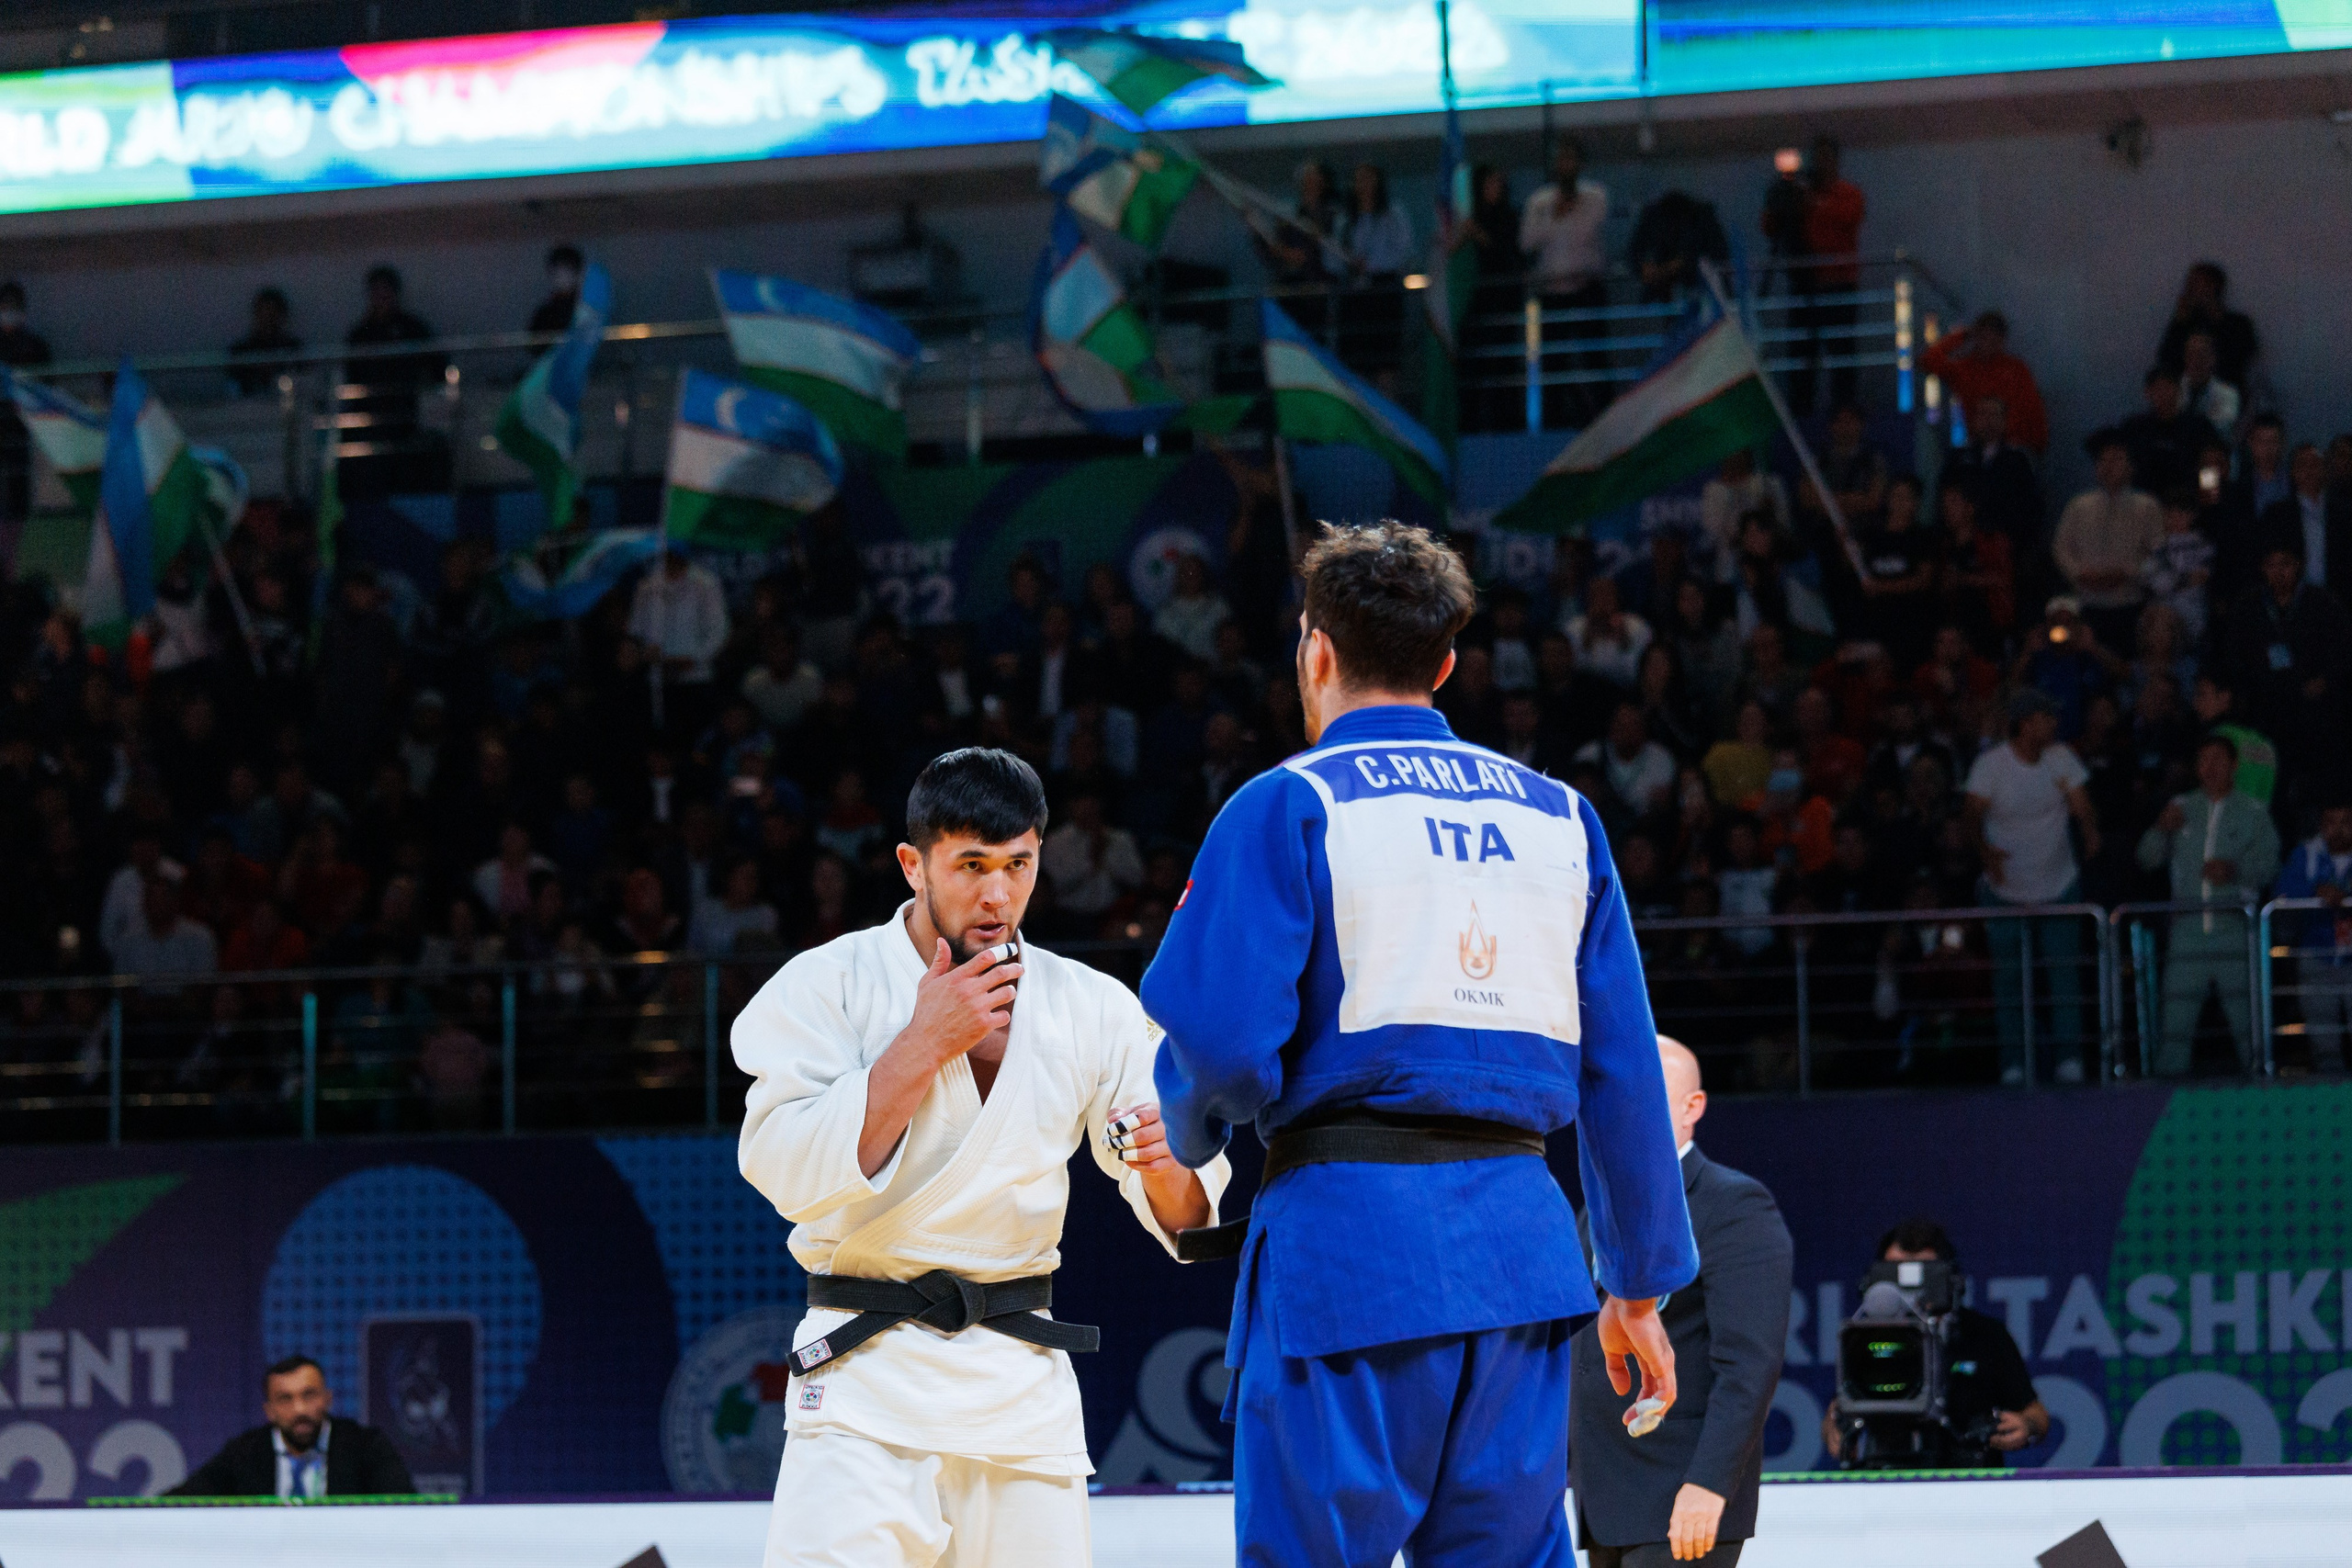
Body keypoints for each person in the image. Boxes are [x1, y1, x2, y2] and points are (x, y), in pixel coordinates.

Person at [1144, 520, 1694, 1567]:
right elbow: (1623, 1072)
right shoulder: (1562, 820)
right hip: (1520, 1264)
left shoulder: (1288, 804)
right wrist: (1636, 1285)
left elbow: (1217, 1048)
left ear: (1314, 651)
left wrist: (1189, 1133)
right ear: (1445, 663)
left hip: (1348, 1255)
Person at [734, 749, 1226, 1568]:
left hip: (1019, 1390)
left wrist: (1165, 1161)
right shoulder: (827, 985)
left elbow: (1186, 1214)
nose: (998, 895)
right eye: (971, 865)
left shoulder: (1089, 1005)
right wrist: (919, 1046)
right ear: (912, 864)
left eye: (1018, 865)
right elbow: (785, 1172)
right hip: (863, 1379)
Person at [1572, 1037, 1792, 1568]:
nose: (1625, 1111)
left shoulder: (1733, 1205)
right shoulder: (1597, 1207)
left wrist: (1709, 1485)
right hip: (1605, 1502)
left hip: (1680, 1498)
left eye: (1645, 1095)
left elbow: (1748, 1363)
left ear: (1692, 1108)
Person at [1822, 1221, 2049, 1469]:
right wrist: (1835, 1425)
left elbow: (2036, 1415)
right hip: (1887, 1479)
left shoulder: (1985, 1334)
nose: (1910, 1295)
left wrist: (2026, 1426)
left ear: (1949, 1281)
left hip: (1969, 1482)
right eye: (1895, 1278)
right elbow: (1842, 1406)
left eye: (1925, 1279)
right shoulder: (1864, 1340)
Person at [1964, 690, 2099, 1085]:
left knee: (2064, 978)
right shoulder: (1991, 766)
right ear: (2025, 723)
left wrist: (2089, 830)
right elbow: (1971, 814)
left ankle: (2069, 1060)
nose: (2054, 724)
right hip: (2005, 890)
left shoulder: (2061, 758)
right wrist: (1983, 851)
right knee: (2008, 982)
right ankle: (2013, 1064)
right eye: (2046, 717)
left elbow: (2083, 804)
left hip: (2058, 885)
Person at [2136, 733, 2279, 1076]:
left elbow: (2271, 865)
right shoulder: (2181, 807)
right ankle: (2163, 1102)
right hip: (2187, 931)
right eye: (2203, 760)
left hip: (2234, 929)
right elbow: (2146, 859)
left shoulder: (2254, 813)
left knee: (2249, 1026)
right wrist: (2160, 828)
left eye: (2217, 759)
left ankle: (2263, 1094)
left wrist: (2235, 871)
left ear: (2233, 765)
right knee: (2175, 1027)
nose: (2209, 766)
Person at [171, 1355, 414, 1498]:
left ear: (327, 1400)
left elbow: (407, 1508)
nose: (299, 1410)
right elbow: (181, 1503)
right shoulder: (245, 1453)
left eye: (309, 1395)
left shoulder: (365, 1446)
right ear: (270, 1411)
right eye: (285, 1399)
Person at [1773, 135, 1866, 416]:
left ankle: (1844, 413)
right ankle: (1801, 414)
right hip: (1805, 286)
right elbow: (1771, 225)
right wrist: (1787, 197)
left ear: (1836, 162)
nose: (1821, 165)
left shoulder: (1849, 193)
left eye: (1827, 159)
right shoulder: (1798, 193)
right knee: (1802, 355)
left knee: (1842, 355)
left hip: (1839, 286)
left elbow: (1846, 219)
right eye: (1817, 159)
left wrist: (1809, 202)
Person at [1521, 137, 1611, 424]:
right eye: (1561, 160)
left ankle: (1605, 418)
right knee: (1553, 362)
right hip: (1552, 292)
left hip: (1587, 288)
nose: (1565, 165)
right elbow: (1526, 241)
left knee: (1594, 358)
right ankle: (1554, 421)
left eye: (1571, 159)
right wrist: (1555, 217)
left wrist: (1569, 211)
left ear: (1580, 164)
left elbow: (1587, 229)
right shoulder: (1539, 202)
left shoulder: (1595, 195)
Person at [2054, 428, 2165, 652]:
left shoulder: (2147, 506)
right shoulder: (2079, 505)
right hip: (2087, 602)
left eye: (2116, 459)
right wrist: (2080, 573)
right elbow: (2061, 547)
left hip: (2129, 603)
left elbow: (2158, 553)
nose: (2108, 466)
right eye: (2102, 460)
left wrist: (2127, 573)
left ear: (2131, 466)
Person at [2276, 802, 2352, 1074]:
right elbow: (2282, 895)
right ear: (2322, 825)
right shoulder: (2306, 854)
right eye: (2332, 822)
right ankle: (2334, 1108)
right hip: (2315, 958)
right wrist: (2315, 891)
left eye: (2346, 822)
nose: (2339, 830)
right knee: (2324, 1046)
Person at [629, 551, 730, 740]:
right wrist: (646, 652)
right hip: (657, 681)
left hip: (696, 678)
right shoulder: (647, 586)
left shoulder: (706, 583)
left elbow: (718, 632)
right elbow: (635, 632)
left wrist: (693, 659)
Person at [1918, 310, 2047, 455]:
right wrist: (1963, 335)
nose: (1988, 344)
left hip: (2014, 446)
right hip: (1978, 446)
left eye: (1994, 339)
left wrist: (2037, 444)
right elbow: (1928, 360)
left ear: (2001, 340)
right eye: (1984, 337)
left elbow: (2033, 407)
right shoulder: (1964, 369)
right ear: (1976, 337)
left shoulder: (2015, 369)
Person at [2258, 441, 2352, 599]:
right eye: (2302, 465)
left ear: (2325, 469)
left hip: (2339, 596)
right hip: (2294, 599)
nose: (2309, 471)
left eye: (2315, 464)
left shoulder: (2344, 512)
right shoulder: (2278, 514)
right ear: (2293, 472)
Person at [2120, 366, 2222, 501]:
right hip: (2142, 503)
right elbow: (2122, 463)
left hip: (2187, 503)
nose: (2163, 394)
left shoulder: (2198, 426)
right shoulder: (2134, 427)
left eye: (2168, 387)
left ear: (2179, 391)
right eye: (2157, 388)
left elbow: (2210, 461)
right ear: (2147, 393)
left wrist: (2209, 494)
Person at [2155, 261, 2257, 390]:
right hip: (2189, 394)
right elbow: (2166, 360)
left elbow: (2242, 358)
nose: (2190, 288)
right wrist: (2179, 323)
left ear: (2214, 286)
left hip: (2228, 392)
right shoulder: (2186, 323)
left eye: (2197, 283)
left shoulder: (2239, 323)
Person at [0, 279, 51, 525]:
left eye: (13, 306)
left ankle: (18, 523)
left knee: (19, 476)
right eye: (5, 306)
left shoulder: (35, 345)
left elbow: (48, 383)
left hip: (21, 421)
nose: (8, 312)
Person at [228, 286, 303, 396]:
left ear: (282, 316)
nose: (268, 319)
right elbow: (234, 388)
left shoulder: (294, 349)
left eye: (273, 313)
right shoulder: (240, 352)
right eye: (264, 313)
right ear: (256, 315)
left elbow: (300, 381)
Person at [529, 243, 586, 333]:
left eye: (567, 271)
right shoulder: (544, 315)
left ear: (577, 274)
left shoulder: (586, 312)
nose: (562, 278)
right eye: (557, 273)